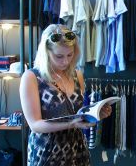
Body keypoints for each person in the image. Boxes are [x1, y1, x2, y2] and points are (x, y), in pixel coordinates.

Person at [20, 24, 112, 165]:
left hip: (77, 149)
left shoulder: (77, 75)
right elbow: (35, 125)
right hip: (47, 152)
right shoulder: (31, 77)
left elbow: (78, 114)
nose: (66, 61)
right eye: (59, 56)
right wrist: (71, 124)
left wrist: (96, 114)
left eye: (70, 55)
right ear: (46, 52)